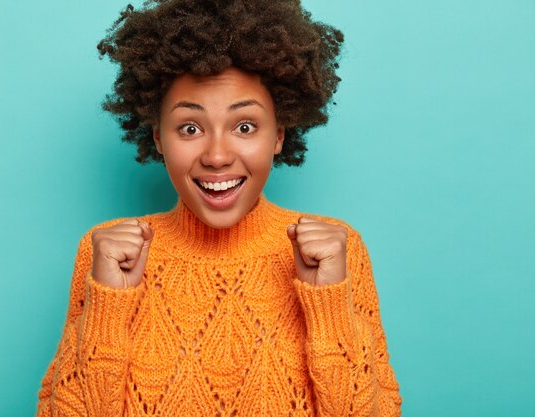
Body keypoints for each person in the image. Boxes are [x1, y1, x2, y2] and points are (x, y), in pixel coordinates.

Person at [36, 0, 402, 415]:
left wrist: (329, 306)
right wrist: (108, 308)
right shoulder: (106, 256)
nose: (216, 156)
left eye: (244, 126)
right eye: (190, 128)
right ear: (158, 139)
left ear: (278, 135)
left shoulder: (338, 251)